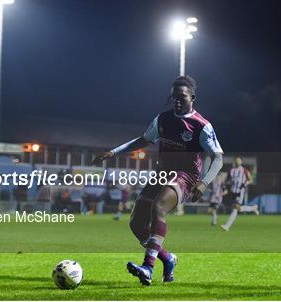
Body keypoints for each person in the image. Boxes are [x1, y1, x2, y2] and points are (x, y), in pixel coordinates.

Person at [92, 75, 223, 285]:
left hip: (185, 176)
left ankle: (148, 267)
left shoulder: (201, 126)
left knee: (159, 205)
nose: (177, 101)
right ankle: (168, 259)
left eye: (182, 96)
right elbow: (144, 139)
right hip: (161, 174)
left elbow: (217, 157)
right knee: (136, 224)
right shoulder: (163, 119)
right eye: (174, 97)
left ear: (193, 97)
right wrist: (113, 152)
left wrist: (204, 182)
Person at [221, 156, 259, 232]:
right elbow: (227, 181)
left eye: (239, 160)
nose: (237, 161)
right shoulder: (231, 171)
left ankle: (227, 226)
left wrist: (246, 183)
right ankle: (253, 208)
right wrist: (225, 189)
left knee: (235, 208)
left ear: (241, 162)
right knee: (237, 208)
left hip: (240, 192)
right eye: (236, 160)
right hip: (233, 192)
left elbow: (251, 180)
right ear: (234, 161)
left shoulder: (245, 171)